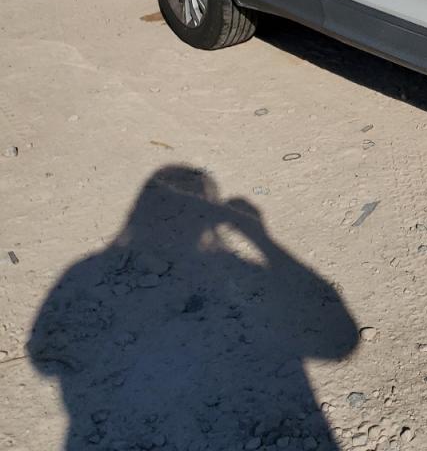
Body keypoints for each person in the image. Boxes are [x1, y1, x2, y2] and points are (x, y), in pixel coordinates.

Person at [29, 165, 359, 450]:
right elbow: (341, 341)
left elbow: (41, 357)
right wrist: (261, 239)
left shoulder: (85, 269)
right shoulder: (234, 267)